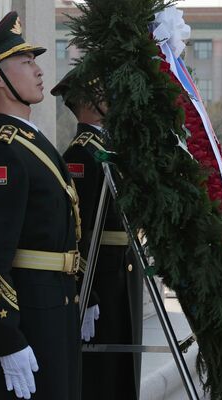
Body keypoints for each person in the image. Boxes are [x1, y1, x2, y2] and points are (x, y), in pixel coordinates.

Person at [0, 11, 82, 400]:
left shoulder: (29, 141)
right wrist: (6, 337)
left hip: (53, 305)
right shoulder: (3, 152)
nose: (38, 71)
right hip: (30, 314)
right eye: (25, 62)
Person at [52, 70, 143, 399]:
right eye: (105, 93)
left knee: (121, 369)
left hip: (120, 271)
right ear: (89, 102)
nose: (113, 99)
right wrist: (85, 293)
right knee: (101, 377)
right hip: (100, 279)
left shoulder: (106, 146)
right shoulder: (80, 155)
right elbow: (76, 231)